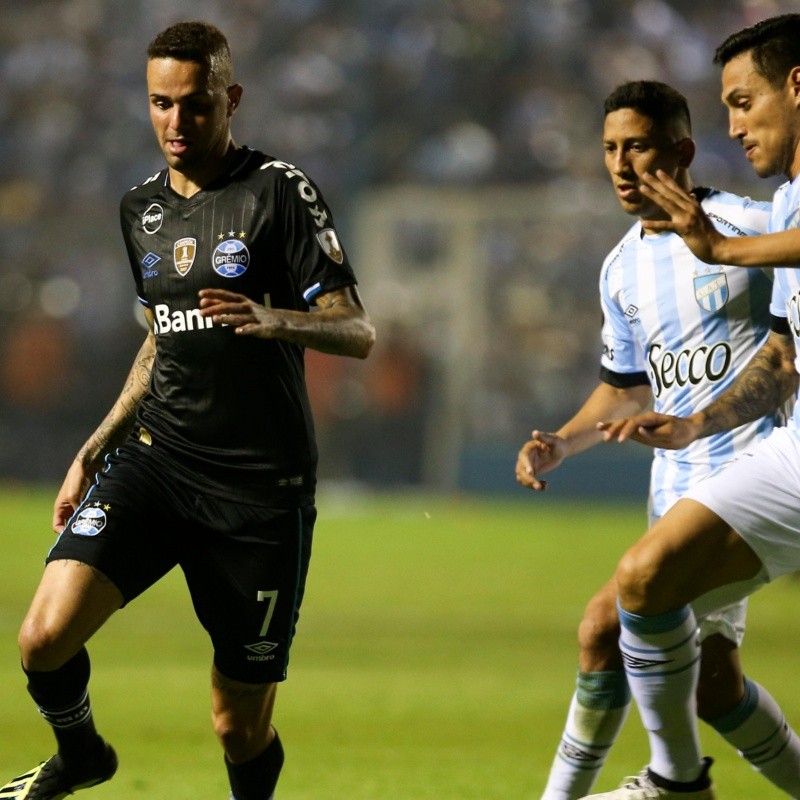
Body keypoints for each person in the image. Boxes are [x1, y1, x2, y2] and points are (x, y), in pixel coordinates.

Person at [0, 20, 375, 800]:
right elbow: (162, 337)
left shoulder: (277, 190)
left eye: (196, 105)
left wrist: (275, 319)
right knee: (41, 638)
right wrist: (98, 442)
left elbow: (357, 327)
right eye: (161, 105)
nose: (177, 122)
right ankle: (80, 756)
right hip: (159, 461)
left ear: (230, 99)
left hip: (258, 491)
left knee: (237, 725)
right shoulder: (140, 209)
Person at [515, 79, 800, 800]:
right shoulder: (620, 268)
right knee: (713, 688)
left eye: (636, 146)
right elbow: (626, 382)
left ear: (680, 150)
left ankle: (623, 791)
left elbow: (783, 348)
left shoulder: (749, 228)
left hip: (740, 484)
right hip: (672, 493)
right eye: (609, 148)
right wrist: (564, 442)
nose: (619, 164)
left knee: (602, 628)